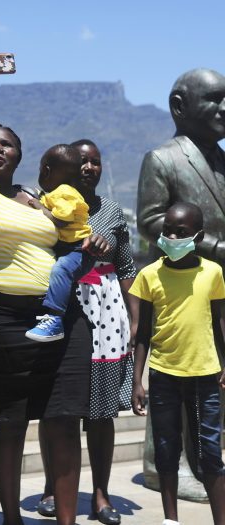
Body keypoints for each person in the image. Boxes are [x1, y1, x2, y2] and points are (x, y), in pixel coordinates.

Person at [0, 50, 108, 525]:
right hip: (4, 320)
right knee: (13, 423)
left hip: (62, 318)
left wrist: (92, 244)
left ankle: (65, 520)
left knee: (63, 422)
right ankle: (12, 520)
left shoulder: (38, 200)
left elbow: (69, 245)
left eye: (8, 145)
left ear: (21, 156)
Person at [37, 139, 137, 524]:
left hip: (107, 314)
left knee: (101, 413)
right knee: (57, 409)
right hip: (63, 310)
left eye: (95, 161)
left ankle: (100, 495)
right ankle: (50, 487)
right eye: (82, 161)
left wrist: (135, 321)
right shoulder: (48, 203)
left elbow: (127, 267)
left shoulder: (112, 211)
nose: (89, 167)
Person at [137, 68, 225, 499]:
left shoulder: (222, 158)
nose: (224, 108)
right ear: (179, 106)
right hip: (179, 286)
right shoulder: (163, 159)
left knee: (213, 372)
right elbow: (150, 220)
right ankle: (162, 465)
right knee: (173, 373)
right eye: (213, 99)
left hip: (215, 287)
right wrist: (214, 246)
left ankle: (208, 457)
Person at [130, 202, 225, 525]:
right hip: (163, 375)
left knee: (209, 453)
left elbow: (219, 321)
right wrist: (137, 381)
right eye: (167, 229)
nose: (171, 236)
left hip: (204, 376)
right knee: (167, 450)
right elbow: (142, 332)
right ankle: (171, 519)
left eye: (180, 232)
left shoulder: (212, 273)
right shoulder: (148, 275)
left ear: (197, 237)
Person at [25, 144, 93, 342]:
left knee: (61, 269)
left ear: (45, 170)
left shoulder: (65, 193)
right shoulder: (57, 193)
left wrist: (40, 207)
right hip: (69, 247)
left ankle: (54, 319)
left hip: (78, 249)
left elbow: (62, 220)